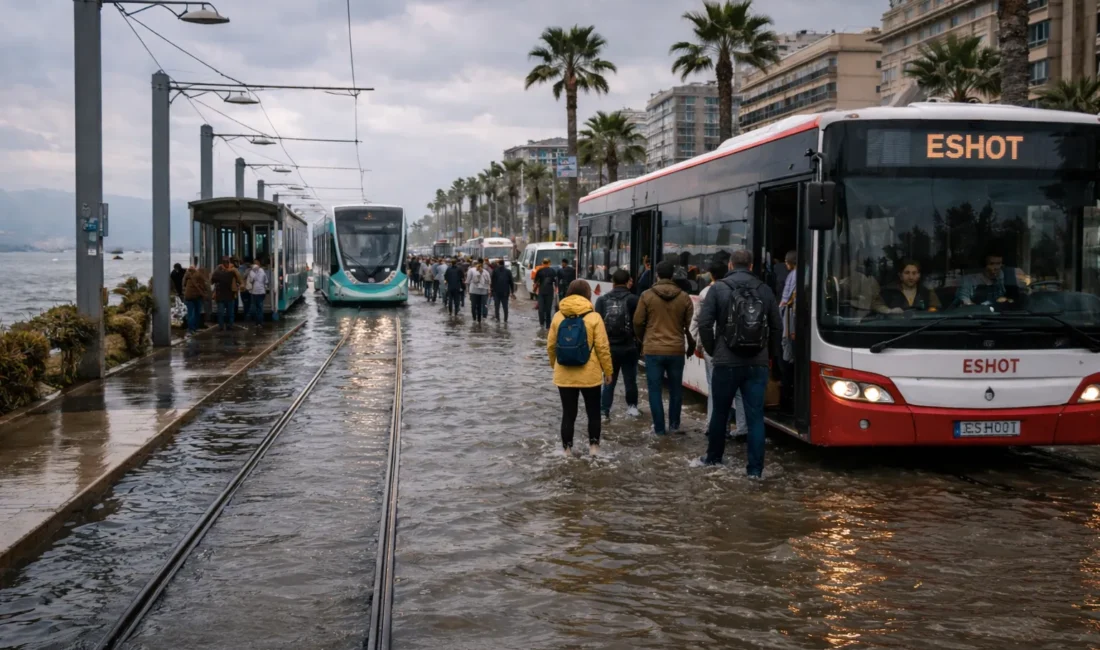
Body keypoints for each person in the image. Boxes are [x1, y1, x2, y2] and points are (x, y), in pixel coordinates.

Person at [697, 249, 782, 476]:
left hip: (725, 362)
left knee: (720, 413)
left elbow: (704, 324)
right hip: (757, 363)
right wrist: (769, 355)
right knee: (755, 417)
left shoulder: (718, 288)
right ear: (752, 266)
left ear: (731, 266)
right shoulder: (765, 290)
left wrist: (714, 350)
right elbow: (777, 327)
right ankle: (755, 471)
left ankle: (714, 460)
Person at [547, 279, 614, 457]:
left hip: (564, 375)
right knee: (593, 412)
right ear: (587, 295)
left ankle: (567, 450)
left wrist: (555, 365)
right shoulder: (594, 317)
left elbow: (551, 346)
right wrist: (608, 371)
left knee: (568, 413)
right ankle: (594, 449)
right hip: (590, 375)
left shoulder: (558, 316)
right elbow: (603, 348)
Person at [633, 260, 695, 436]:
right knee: (676, 389)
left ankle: (659, 429)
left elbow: (638, 321)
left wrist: (643, 338)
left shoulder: (646, 295)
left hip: (653, 349)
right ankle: (675, 426)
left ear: (657, 275)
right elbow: (689, 325)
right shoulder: (684, 297)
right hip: (676, 350)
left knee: (655, 390)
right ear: (673, 275)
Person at [690, 261, 745, 438]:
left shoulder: (707, 292)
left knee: (715, 387)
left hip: (713, 346)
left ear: (711, 275)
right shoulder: (740, 288)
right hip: (737, 344)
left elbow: (698, 321)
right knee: (738, 388)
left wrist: (697, 345)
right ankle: (743, 427)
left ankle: (715, 426)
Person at [595, 268, 640, 420]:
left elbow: (598, 326)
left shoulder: (602, 300)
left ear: (612, 282)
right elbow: (639, 322)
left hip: (609, 348)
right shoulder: (634, 299)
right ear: (628, 282)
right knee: (630, 379)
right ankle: (632, 407)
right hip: (629, 346)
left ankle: (604, 411)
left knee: (609, 379)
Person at [778, 250, 798, 412]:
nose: (785, 264)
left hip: (789, 325)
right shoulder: (797, 274)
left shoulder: (793, 276)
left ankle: (786, 400)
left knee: (788, 360)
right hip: (789, 324)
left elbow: (787, 303)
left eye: (786, 261)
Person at [210, 257, 240, 331]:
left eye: (227, 262)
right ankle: (226, 325)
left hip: (225, 295)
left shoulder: (230, 271)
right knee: (227, 313)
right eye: (225, 262)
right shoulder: (230, 271)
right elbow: (212, 280)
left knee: (225, 313)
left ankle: (225, 325)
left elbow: (212, 280)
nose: (226, 264)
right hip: (226, 295)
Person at [182, 261, 209, 336]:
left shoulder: (186, 275)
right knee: (197, 312)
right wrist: (205, 293)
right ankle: (194, 328)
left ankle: (191, 329)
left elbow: (183, 284)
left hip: (188, 296)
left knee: (190, 313)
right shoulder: (199, 275)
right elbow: (204, 285)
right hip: (197, 296)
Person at [534, 258, 558, 329]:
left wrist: (535, 289)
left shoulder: (539, 271)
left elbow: (536, 282)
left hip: (541, 292)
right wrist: (556, 289)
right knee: (548, 309)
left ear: (542, 263)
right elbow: (556, 282)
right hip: (549, 292)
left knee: (541, 309)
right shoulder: (553, 271)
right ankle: (548, 325)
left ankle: (542, 324)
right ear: (549, 263)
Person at [491, 258, 515, 322]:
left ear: (498, 264)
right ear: (504, 264)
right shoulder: (508, 271)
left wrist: (491, 290)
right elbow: (511, 282)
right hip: (505, 292)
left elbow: (492, 282)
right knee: (505, 306)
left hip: (496, 292)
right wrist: (512, 292)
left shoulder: (495, 271)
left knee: (497, 306)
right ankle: (505, 320)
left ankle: (498, 319)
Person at [246, 258, 268, 328]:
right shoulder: (262, 271)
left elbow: (251, 280)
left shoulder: (252, 272)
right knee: (260, 308)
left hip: (255, 292)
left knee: (255, 308)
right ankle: (260, 323)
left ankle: (257, 323)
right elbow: (266, 281)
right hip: (262, 292)